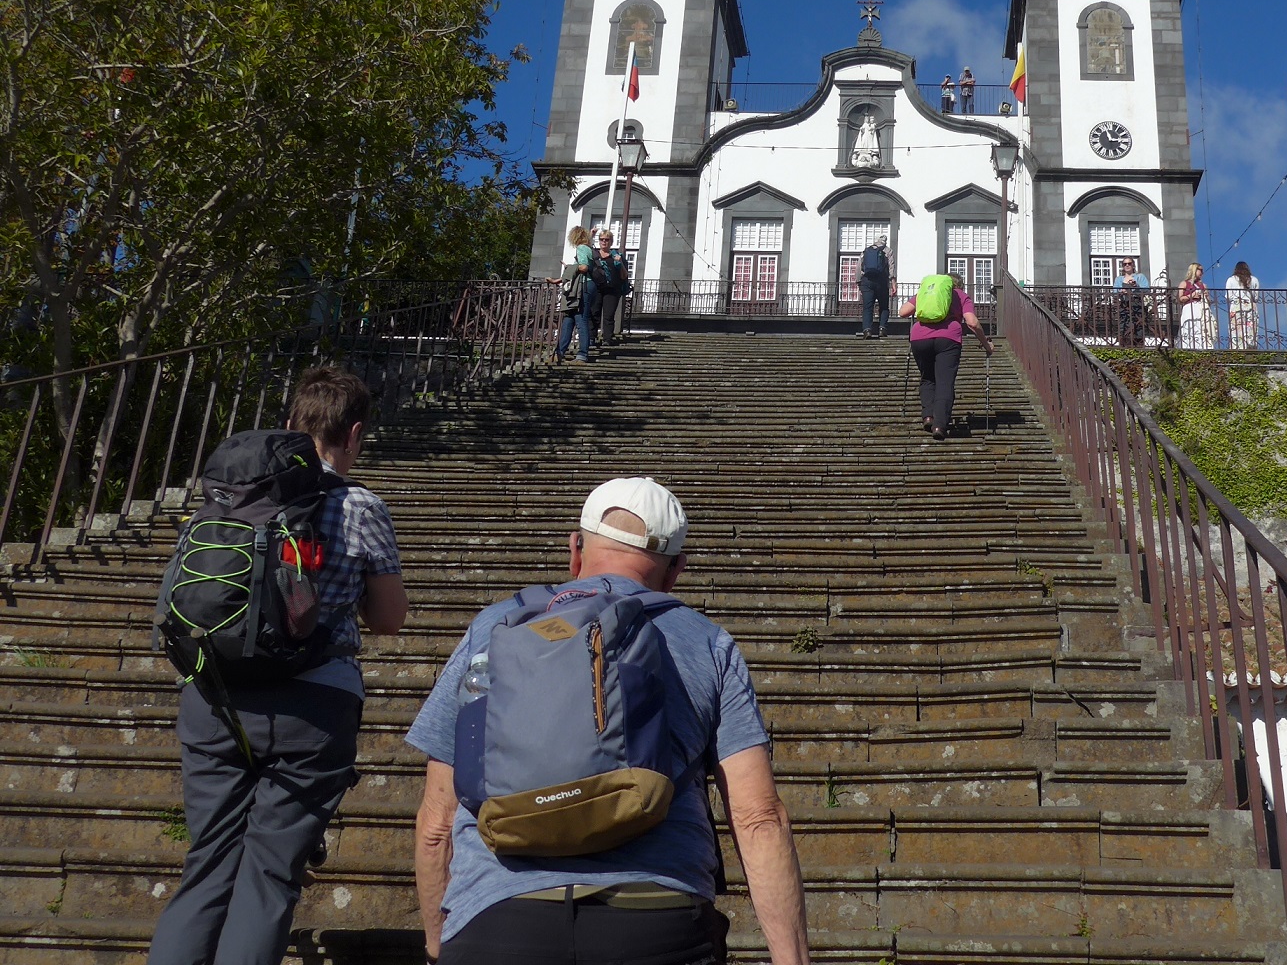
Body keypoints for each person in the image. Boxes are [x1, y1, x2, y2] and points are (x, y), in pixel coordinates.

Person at [408, 477, 809, 965]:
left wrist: (438, 946)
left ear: (575, 548)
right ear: (676, 570)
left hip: (497, 917)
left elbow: (437, 822)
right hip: (656, 918)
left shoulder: (491, 629)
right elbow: (758, 817)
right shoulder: (707, 642)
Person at [147, 367, 408, 965]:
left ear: (290, 424)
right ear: (355, 433)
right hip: (312, 710)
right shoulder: (359, 506)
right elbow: (389, 619)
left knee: (207, 864)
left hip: (215, 699)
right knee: (268, 876)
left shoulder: (226, 498)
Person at [897, 274, 993, 441]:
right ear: (960, 285)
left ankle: (928, 416)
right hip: (948, 339)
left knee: (927, 378)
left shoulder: (927, 292)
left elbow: (903, 312)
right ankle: (939, 425)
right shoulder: (961, 296)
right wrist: (986, 344)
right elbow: (972, 322)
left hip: (919, 338)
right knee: (944, 382)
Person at [554, 225, 595, 364]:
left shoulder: (582, 248)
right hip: (585, 286)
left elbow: (583, 267)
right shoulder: (588, 248)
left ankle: (582, 354)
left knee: (580, 318)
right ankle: (559, 352)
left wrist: (570, 268)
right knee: (569, 318)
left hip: (583, 286)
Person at [592, 228, 632, 350]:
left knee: (609, 315)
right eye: (601, 239)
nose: (604, 242)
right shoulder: (594, 255)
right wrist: (591, 235)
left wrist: (620, 264)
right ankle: (591, 338)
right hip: (596, 289)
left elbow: (624, 276)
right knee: (594, 313)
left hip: (612, 290)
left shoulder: (617, 256)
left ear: (611, 241)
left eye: (607, 239)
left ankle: (607, 339)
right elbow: (583, 248)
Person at [1176, 262, 1217, 350]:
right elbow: (1180, 299)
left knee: (1202, 329)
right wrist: (1192, 295)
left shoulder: (1203, 285)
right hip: (1189, 309)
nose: (1202, 272)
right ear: (1194, 270)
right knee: (1190, 328)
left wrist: (1206, 296)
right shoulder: (1184, 283)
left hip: (1201, 309)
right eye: (1200, 270)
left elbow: (1209, 302)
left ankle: (1203, 348)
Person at [858, 236, 891, 338]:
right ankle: (882, 329)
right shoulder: (888, 251)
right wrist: (893, 282)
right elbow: (891, 267)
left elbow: (859, 267)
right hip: (882, 281)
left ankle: (867, 330)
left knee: (867, 308)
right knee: (884, 306)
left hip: (867, 281)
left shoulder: (866, 251)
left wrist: (859, 283)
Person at [1225, 261, 1260, 349]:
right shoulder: (1254, 280)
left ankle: (1237, 347)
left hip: (1236, 306)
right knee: (1250, 328)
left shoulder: (1231, 280)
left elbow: (1228, 296)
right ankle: (1250, 346)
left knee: (1236, 329)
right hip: (1250, 306)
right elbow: (1256, 297)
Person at [1113, 258, 1147, 346]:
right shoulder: (1119, 279)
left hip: (1137, 305)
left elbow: (1147, 289)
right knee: (1123, 326)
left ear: (1133, 265)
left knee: (1138, 327)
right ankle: (1124, 346)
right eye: (1125, 264)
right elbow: (1114, 292)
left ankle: (1138, 346)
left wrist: (1136, 286)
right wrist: (1121, 291)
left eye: (1129, 263)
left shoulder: (1140, 277)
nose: (1127, 265)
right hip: (1124, 305)